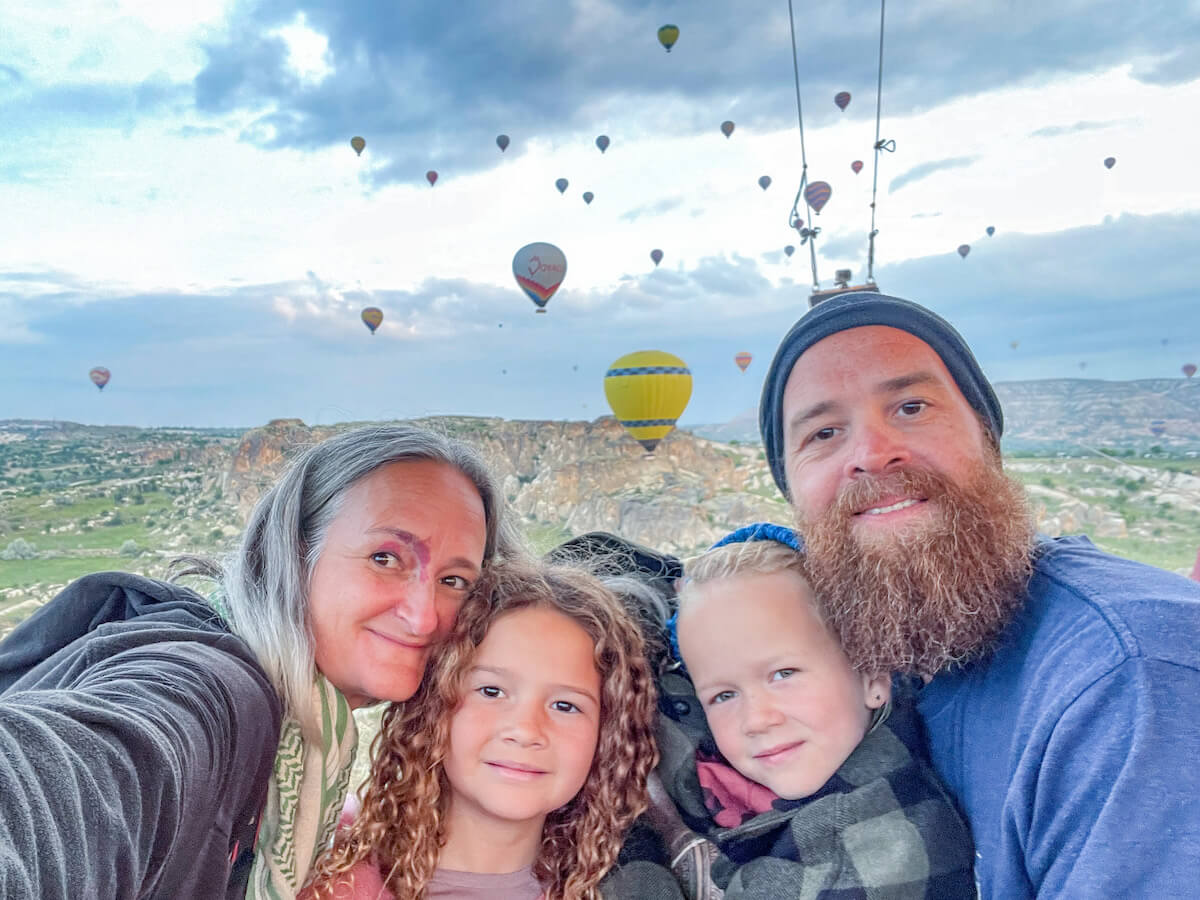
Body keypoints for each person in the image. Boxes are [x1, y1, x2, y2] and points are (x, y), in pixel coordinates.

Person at [756, 292, 1200, 896]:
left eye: (911, 407)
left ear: (987, 437)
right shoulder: (836, 653)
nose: (870, 453)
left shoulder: (1132, 675)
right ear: (793, 492)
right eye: (824, 432)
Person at [0, 423, 518, 899]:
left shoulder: (314, 741)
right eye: (385, 559)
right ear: (293, 557)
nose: (423, 616)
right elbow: (81, 772)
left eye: (455, 581)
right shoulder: (218, 688)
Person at [301, 560, 661, 899]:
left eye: (565, 706)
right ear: (433, 706)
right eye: (491, 691)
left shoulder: (634, 886)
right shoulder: (319, 862)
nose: (525, 730)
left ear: (608, 735)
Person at [662, 524, 975, 897]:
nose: (757, 720)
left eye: (784, 674)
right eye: (724, 696)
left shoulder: (869, 859)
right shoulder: (841, 741)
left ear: (872, 673)